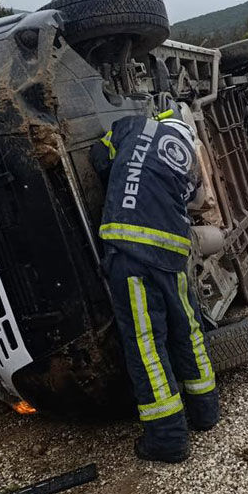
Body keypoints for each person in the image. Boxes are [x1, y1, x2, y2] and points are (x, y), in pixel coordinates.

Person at [90, 113, 218, 463]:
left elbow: (99, 158)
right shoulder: (188, 157)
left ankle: (168, 438)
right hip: (173, 252)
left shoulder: (135, 125)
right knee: (188, 331)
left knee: (146, 344)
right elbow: (192, 202)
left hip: (131, 251)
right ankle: (206, 412)